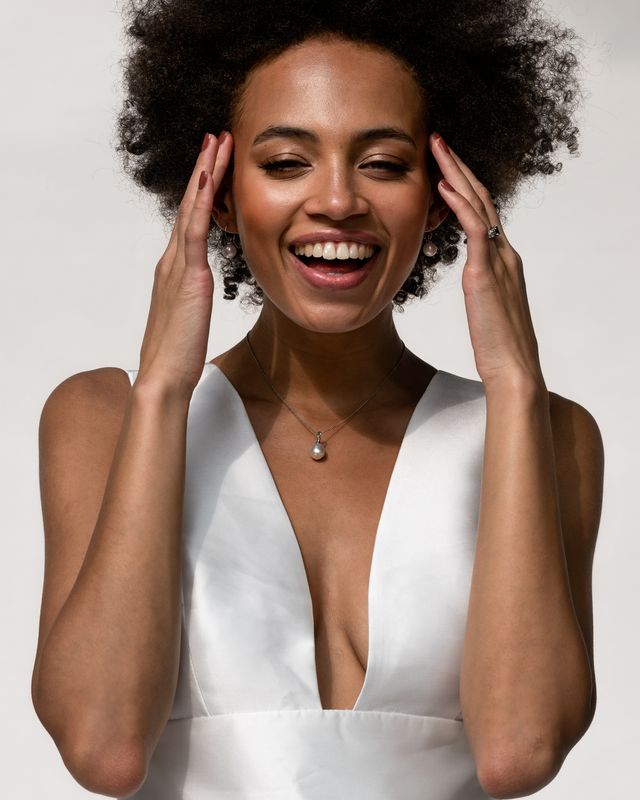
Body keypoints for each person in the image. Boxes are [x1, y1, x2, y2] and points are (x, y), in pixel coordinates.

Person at [31, 1, 605, 798]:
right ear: (219, 194)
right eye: (286, 162)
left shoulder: (547, 433)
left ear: (440, 198)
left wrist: (514, 384)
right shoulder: (106, 420)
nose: (338, 201)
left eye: (384, 164)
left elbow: (518, 754)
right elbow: (104, 751)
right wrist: (163, 389)